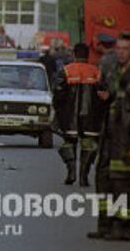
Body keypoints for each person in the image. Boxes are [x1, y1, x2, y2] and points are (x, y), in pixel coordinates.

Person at [88, 32, 130, 241]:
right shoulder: (115, 71)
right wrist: (106, 97)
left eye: (125, 49)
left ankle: (124, 228)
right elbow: (113, 100)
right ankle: (105, 225)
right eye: (118, 48)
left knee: (124, 184)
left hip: (127, 139)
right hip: (110, 137)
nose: (120, 52)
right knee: (103, 180)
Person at [54, 43, 103, 186]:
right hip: (91, 117)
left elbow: (58, 94)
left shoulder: (66, 71)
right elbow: (103, 94)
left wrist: (58, 111)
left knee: (69, 143)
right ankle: (84, 176)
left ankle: (71, 171)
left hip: (69, 118)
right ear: (87, 55)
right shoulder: (96, 72)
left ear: (74, 54)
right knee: (89, 145)